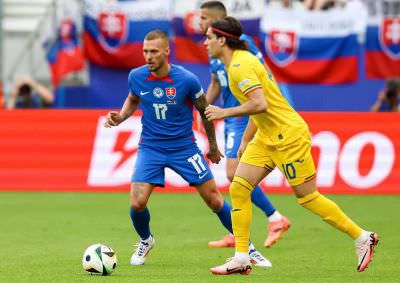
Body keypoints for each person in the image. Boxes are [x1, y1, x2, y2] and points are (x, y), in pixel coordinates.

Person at [204, 17, 378, 275]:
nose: (204, 42)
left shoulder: (241, 66)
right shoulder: (239, 63)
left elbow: (260, 103)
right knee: (239, 187)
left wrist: (223, 113)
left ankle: (362, 236)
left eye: (208, 37)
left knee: (307, 197)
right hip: (267, 135)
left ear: (221, 40)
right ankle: (241, 256)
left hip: (289, 136)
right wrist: (245, 139)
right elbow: (262, 106)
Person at [103, 30, 270, 267]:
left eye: (153, 52)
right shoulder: (136, 76)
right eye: (145, 51)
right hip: (151, 147)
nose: (148, 57)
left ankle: (248, 248)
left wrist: (212, 146)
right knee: (137, 202)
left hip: (184, 148)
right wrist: (120, 117)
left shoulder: (187, 80)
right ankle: (145, 239)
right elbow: (133, 98)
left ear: (166, 51)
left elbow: (205, 111)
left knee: (214, 199)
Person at [198, 1, 291, 249]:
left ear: (218, 18)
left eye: (204, 18)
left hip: (243, 115)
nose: (200, 22)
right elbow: (216, 82)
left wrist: (272, 102)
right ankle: (238, 230)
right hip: (229, 117)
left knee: (233, 174)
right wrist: (204, 106)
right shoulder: (213, 49)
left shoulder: (241, 44)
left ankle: (274, 218)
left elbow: (264, 75)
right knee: (234, 177)